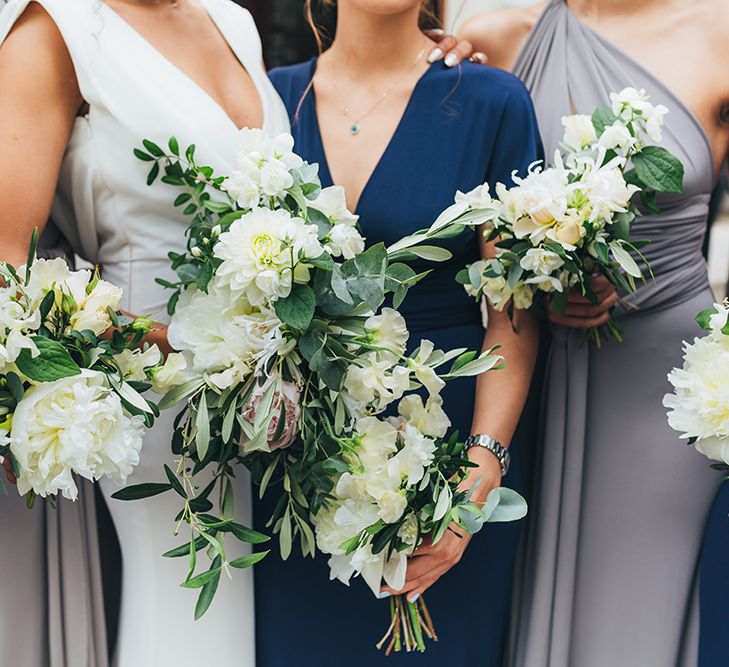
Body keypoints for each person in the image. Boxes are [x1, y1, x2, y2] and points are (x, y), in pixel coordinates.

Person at [252, 1, 542, 665]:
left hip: (445, 455)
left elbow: (512, 316)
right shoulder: (270, 100)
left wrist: (482, 463)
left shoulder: (492, 101)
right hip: (297, 468)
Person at [0, 0, 289, 664]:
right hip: (146, 383)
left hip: (261, 380)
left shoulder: (231, 18)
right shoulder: (56, 27)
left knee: (231, 604)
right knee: (183, 606)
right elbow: (6, 262)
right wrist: (168, 342)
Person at [450, 1, 729, 665]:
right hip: (530, 381)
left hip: (673, 390)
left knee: (643, 612)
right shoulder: (493, 38)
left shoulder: (718, 27)